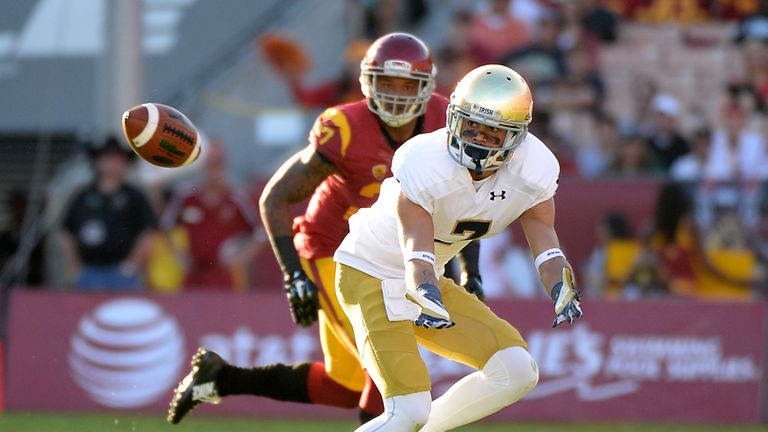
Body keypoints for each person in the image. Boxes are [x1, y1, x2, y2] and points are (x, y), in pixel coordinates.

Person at [167, 33, 483, 424]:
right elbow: (276, 198)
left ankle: (220, 379)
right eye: (387, 83)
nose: (398, 95)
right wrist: (293, 275)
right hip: (336, 251)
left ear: (428, 86)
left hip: (389, 255)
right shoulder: (346, 128)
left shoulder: (444, 124)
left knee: (343, 387)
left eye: (408, 85)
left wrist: (470, 267)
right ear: (368, 82)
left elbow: (462, 200)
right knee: (388, 370)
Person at [333, 64, 583, 431]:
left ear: (516, 137)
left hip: (428, 276)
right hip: (372, 271)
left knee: (515, 370)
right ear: (453, 117)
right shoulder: (424, 160)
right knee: (409, 410)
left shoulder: (535, 168)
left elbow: (544, 237)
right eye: (471, 127)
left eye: (492, 134)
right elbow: (416, 247)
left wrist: (560, 282)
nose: (478, 140)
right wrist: (423, 287)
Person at [160, 140, 265, 292]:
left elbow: (261, 232)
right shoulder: (187, 196)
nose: (214, 171)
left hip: (222, 273)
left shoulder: (236, 198)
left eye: (218, 164)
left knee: (224, 312)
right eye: (210, 164)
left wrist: (241, 256)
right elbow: (165, 226)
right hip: (194, 271)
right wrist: (179, 256)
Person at [60, 136, 157, 290]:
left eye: (118, 160)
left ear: (126, 163)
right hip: (88, 271)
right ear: (97, 162)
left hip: (121, 273)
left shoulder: (134, 197)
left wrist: (131, 266)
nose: (112, 165)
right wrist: (76, 267)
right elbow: (66, 232)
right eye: (107, 159)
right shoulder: (82, 196)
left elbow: (148, 233)